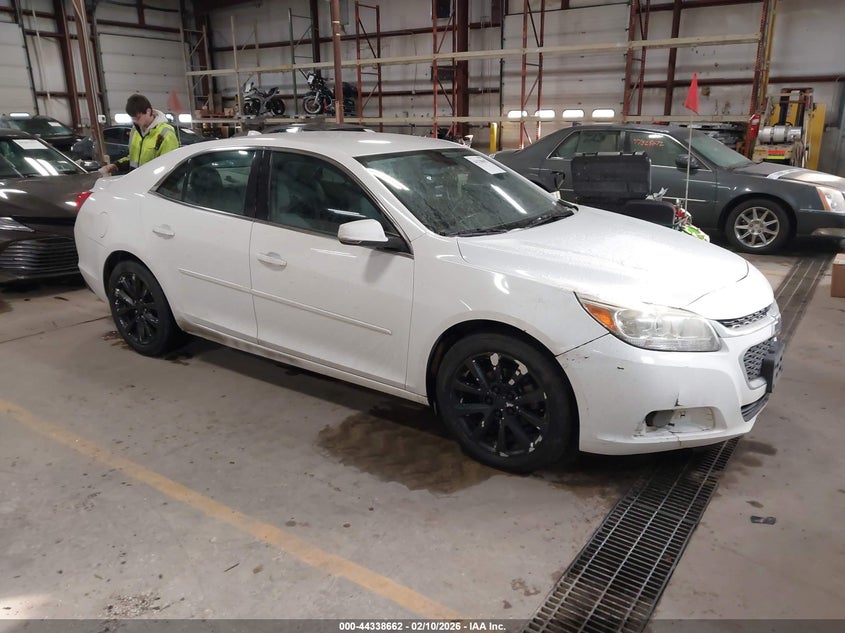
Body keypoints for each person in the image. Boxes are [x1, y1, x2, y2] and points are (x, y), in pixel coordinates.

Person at [102, 94, 179, 174]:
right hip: (136, 179)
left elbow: (169, 167)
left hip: (153, 181)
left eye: (138, 117)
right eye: (133, 118)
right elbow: (133, 159)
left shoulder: (165, 133)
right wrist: (116, 165)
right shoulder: (135, 131)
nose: (135, 121)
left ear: (148, 111)